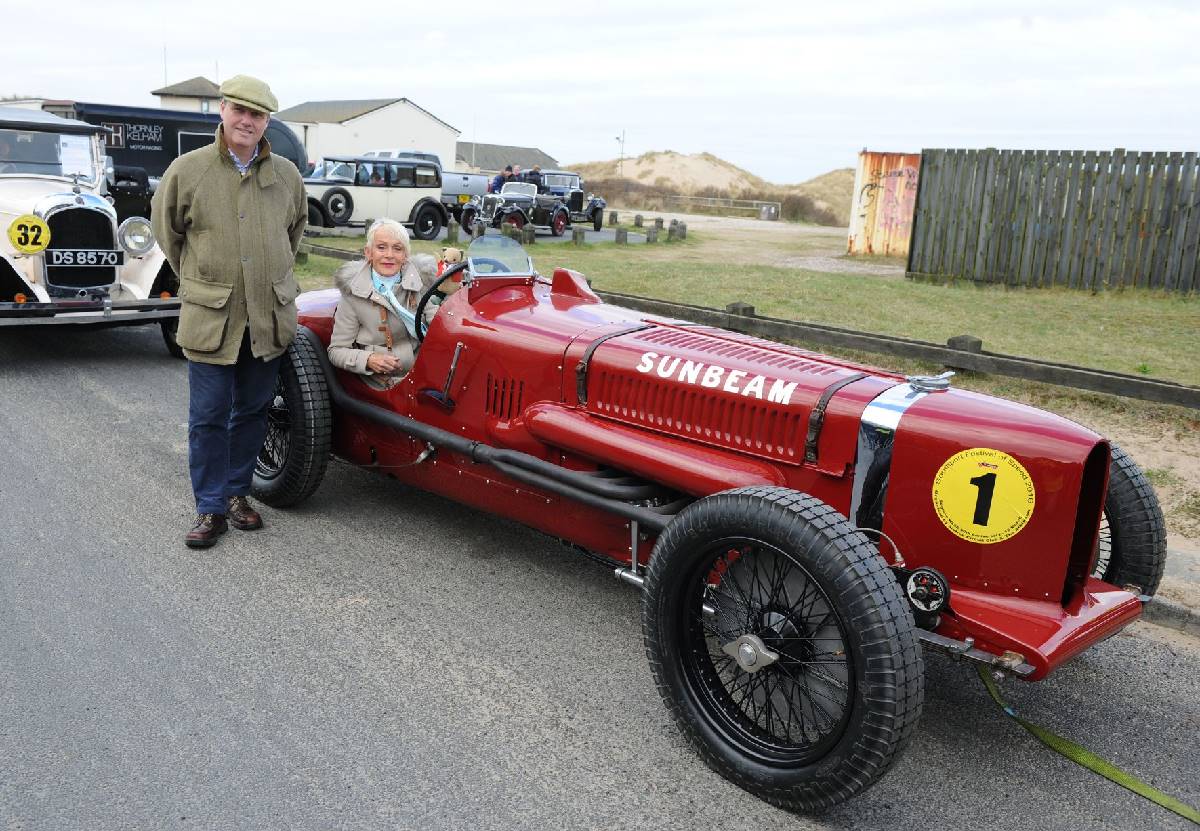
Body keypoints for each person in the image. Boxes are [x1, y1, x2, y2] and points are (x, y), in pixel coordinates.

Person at [151, 75, 307, 548]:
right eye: (239, 109)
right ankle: (210, 507)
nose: (246, 120)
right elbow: (168, 234)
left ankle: (239, 495)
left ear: (266, 123)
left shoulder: (287, 176)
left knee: (253, 412)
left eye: (257, 114)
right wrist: (203, 280)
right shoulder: (188, 169)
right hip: (211, 318)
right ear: (222, 110)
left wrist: (266, 277)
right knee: (208, 417)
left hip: (267, 315)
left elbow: (293, 235)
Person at [328, 218, 439, 382]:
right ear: (368, 253)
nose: (389, 255)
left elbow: (438, 322)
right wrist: (369, 359)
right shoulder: (353, 293)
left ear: (405, 255)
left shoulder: (418, 282)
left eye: (397, 249)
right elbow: (336, 350)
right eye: (381, 247)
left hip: (423, 368)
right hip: (384, 379)